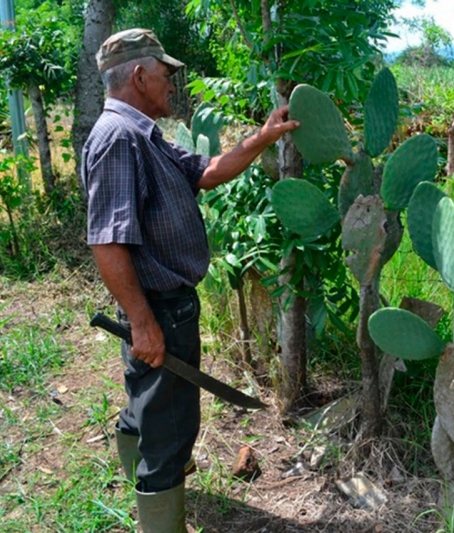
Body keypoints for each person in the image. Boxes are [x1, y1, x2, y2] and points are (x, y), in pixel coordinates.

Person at [81, 28, 298, 532]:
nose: (172, 87)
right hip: (156, 307)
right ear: (139, 76)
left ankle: (148, 480)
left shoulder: (143, 134)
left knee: (149, 406)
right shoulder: (119, 138)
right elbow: (107, 243)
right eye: (164, 76)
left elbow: (206, 171)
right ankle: (160, 512)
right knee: (170, 429)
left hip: (162, 306)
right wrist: (142, 322)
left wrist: (261, 137)